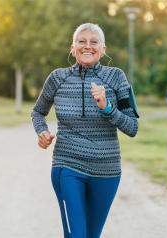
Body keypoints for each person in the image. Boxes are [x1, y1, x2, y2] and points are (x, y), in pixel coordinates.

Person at [31, 23, 139, 238]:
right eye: (81, 41)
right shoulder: (57, 78)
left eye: (94, 41)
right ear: (73, 48)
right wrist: (42, 132)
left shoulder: (116, 77)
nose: (87, 46)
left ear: (103, 49)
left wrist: (107, 108)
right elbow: (37, 112)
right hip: (67, 165)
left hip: (106, 171)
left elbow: (132, 127)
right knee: (76, 235)